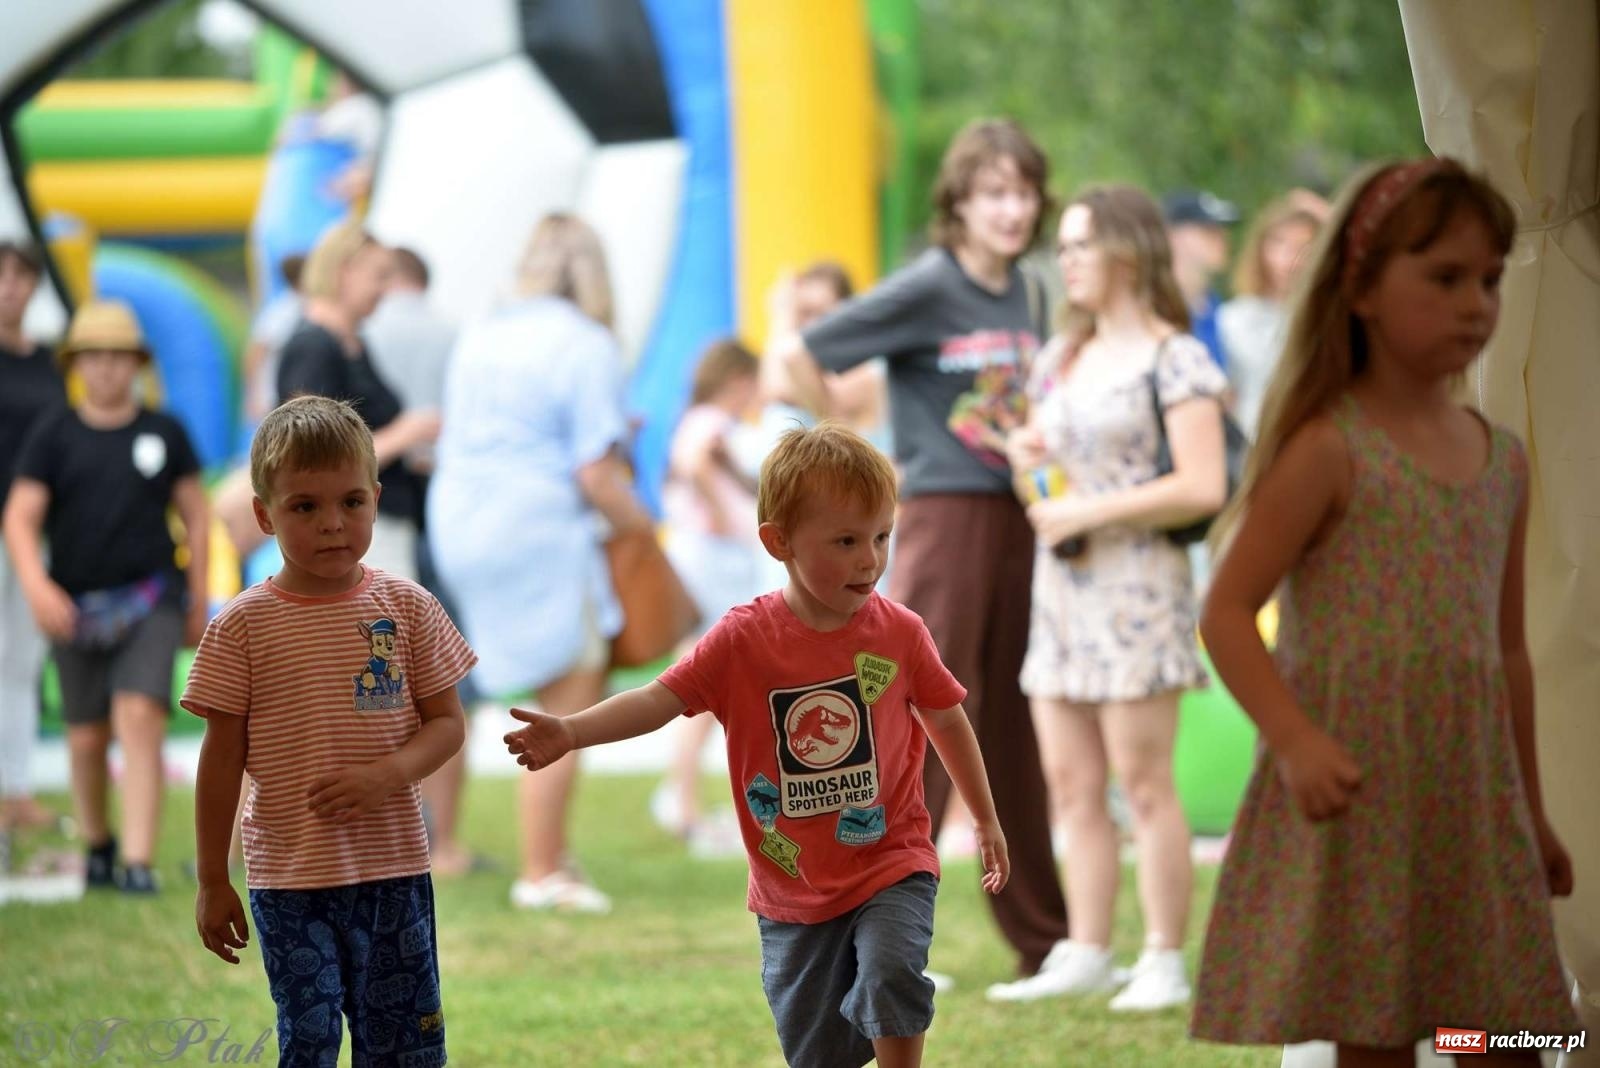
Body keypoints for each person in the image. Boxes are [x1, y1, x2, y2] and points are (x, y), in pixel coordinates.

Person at [1190, 158, 1577, 1065]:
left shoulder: (1503, 460)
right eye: (1444, 277)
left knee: (1504, 1026)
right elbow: (1227, 612)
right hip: (1361, 789)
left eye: (1489, 279)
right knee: (1378, 1026)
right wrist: (1295, 741)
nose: (1476, 304)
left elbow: (1507, 655)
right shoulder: (1329, 450)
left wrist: (1531, 809)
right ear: (1361, 288)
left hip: (1469, 792)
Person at [505, 423, 1011, 1068]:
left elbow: (947, 718)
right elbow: (659, 700)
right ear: (779, 542)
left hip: (891, 856)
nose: (870, 559)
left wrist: (985, 817)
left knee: (892, 970)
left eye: (882, 536)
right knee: (817, 1050)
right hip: (792, 883)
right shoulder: (742, 640)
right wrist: (572, 730)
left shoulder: (900, 633)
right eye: (847, 541)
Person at [766, 117, 1069, 979]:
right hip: (944, 518)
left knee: (1012, 729)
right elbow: (798, 354)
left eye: (1024, 193)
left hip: (1020, 518)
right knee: (921, 720)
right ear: (959, 202)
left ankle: (1045, 940)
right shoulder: (931, 285)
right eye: (993, 193)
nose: (1012, 210)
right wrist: (843, 437)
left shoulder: (1031, 292)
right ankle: (880, 939)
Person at [987, 185, 1228, 1010]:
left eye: (1081, 244)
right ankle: (1086, 948)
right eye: (1063, 247)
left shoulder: (1175, 357)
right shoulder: (1059, 357)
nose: (1067, 261)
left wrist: (1089, 510)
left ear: (1128, 248)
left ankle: (1162, 957)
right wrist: (1029, 463)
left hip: (1139, 590)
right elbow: (1041, 477)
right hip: (1063, 591)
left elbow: (1203, 484)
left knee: (1145, 782)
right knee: (1069, 781)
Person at [184, 395, 474, 1066]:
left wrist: (386, 776)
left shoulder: (408, 607)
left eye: (351, 502)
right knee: (310, 1040)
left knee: (404, 1046)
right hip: (289, 879)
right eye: (304, 506)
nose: (333, 524)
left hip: (393, 872)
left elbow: (447, 724)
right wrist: (211, 878)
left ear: (376, 498)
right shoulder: (241, 628)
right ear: (264, 515)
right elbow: (219, 761)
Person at [428, 213, 655, 913]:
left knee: (517, 686)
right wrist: (643, 529)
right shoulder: (586, 342)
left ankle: (543, 851)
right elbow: (594, 472)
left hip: (460, 519)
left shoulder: (482, 332)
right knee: (568, 695)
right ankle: (542, 867)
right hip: (537, 523)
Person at [2, 299, 209, 893]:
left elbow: (196, 515)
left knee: (139, 714)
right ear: (76, 364)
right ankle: (99, 843)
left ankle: (138, 862)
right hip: (74, 604)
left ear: (137, 364)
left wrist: (198, 595)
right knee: (87, 735)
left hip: (151, 596)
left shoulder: (164, 431)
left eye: (119, 356)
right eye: (94, 356)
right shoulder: (54, 434)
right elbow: (20, 517)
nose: (107, 368)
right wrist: (37, 587)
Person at [277, 221, 439, 580]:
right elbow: (311, 457)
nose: (386, 290)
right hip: (353, 534)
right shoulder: (314, 348)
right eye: (379, 276)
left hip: (383, 520)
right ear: (344, 271)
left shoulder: (352, 342)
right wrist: (405, 434)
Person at [653, 338, 763, 849]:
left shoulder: (701, 422)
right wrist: (719, 513)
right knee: (706, 678)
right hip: (711, 560)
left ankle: (683, 794)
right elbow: (695, 464)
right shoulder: (711, 422)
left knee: (701, 676)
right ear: (738, 382)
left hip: (708, 557)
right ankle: (685, 800)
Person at [0, 240, 65, 836]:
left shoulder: (50, 364)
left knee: (23, 658)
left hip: (34, 530)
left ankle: (16, 790)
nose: (9, 287)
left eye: (20, 276)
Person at [1217, 196, 1323, 437]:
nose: (1288, 259)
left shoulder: (1330, 319)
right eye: (1279, 244)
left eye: (1303, 247)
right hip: (1251, 441)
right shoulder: (1232, 319)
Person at [1163, 189, 1240, 371]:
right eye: (1208, 230)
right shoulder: (1152, 308)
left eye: (1222, 230)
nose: (1222, 238)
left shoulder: (1220, 309)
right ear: (1172, 235)